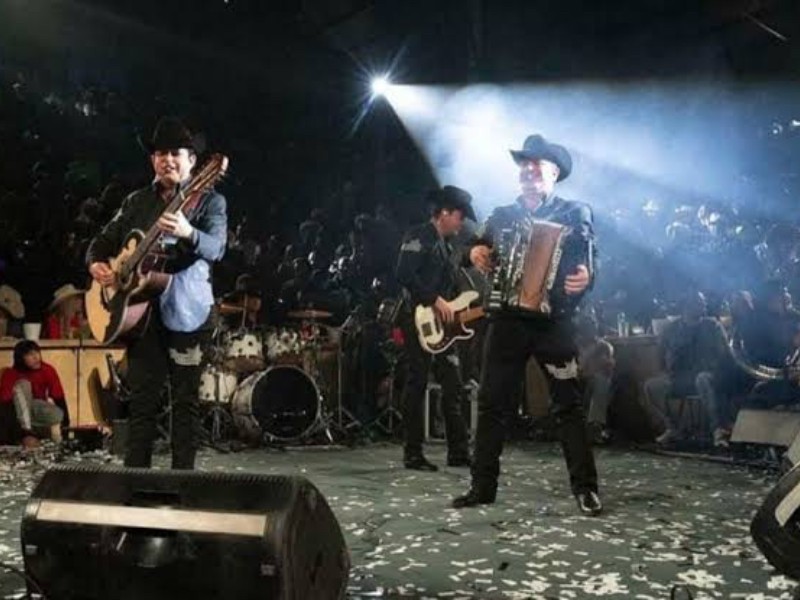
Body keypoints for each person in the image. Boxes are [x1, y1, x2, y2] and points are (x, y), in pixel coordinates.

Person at [452, 134, 602, 516]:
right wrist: (474, 251)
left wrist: (588, 277)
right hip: (507, 319)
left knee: (568, 405)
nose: (527, 171)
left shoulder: (576, 212)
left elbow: (590, 257)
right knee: (491, 404)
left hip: (554, 320)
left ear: (554, 173)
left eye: (536, 166)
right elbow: (465, 250)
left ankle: (585, 488)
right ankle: (482, 487)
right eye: (524, 165)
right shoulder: (501, 215)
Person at [86, 117, 227, 469]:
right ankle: (135, 482)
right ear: (152, 160)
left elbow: (216, 247)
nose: (168, 160)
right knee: (141, 404)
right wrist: (96, 263)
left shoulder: (210, 201)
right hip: (140, 316)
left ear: (192, 160)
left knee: (185, 405)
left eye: (176, 153)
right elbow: (102, 241)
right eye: (161, 154)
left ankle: (183, 483)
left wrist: (188, 232)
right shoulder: (136, 201)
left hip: (189, 314)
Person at [395, 186, 475, 471]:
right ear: (444, 213)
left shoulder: (449, 247)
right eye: (459, 217)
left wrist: (457, 309)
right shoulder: (418, 235)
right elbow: (403, 272)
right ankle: (413, 452)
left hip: (443, 326)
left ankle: (458, 451)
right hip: (417, 318)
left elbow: (450, 292)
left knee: (453, 384)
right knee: (417, 382)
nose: (461, 224)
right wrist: (434, 299)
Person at [644, 291, 729, 447]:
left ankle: (718, 430)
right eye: (699, 303)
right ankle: (673, 428)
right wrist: (665, 369)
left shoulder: (712, 326)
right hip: (680, 378)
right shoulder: (672, 329)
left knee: (702, 379)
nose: (704, 306)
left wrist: (715, 368)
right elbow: (660, 353)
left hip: (706, 376)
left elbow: (725, 354)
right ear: (687, 306)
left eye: (703, 302)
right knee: (652, 386)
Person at [0, 340, 69, 449]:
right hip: (14, 415)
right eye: (30, 354)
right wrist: (21, 433)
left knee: (57, 413)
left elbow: (59, 397)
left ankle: (34, 433)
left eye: (37, 352)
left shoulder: (47, 370)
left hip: (34, 411)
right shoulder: (11, 374)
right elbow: (5, 405)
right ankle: (26, 432)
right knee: (23, 384)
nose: (36, 357)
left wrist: (66, 427)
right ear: (21, 358)